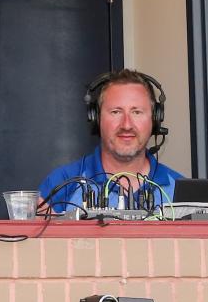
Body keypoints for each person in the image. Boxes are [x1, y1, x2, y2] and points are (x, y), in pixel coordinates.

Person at [39, 69, 184, 213]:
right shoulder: (62, 182)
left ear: (155, 120)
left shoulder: (181, 190)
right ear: (96, 119)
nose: (126, 125)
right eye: (116, 112)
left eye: (137, 112)